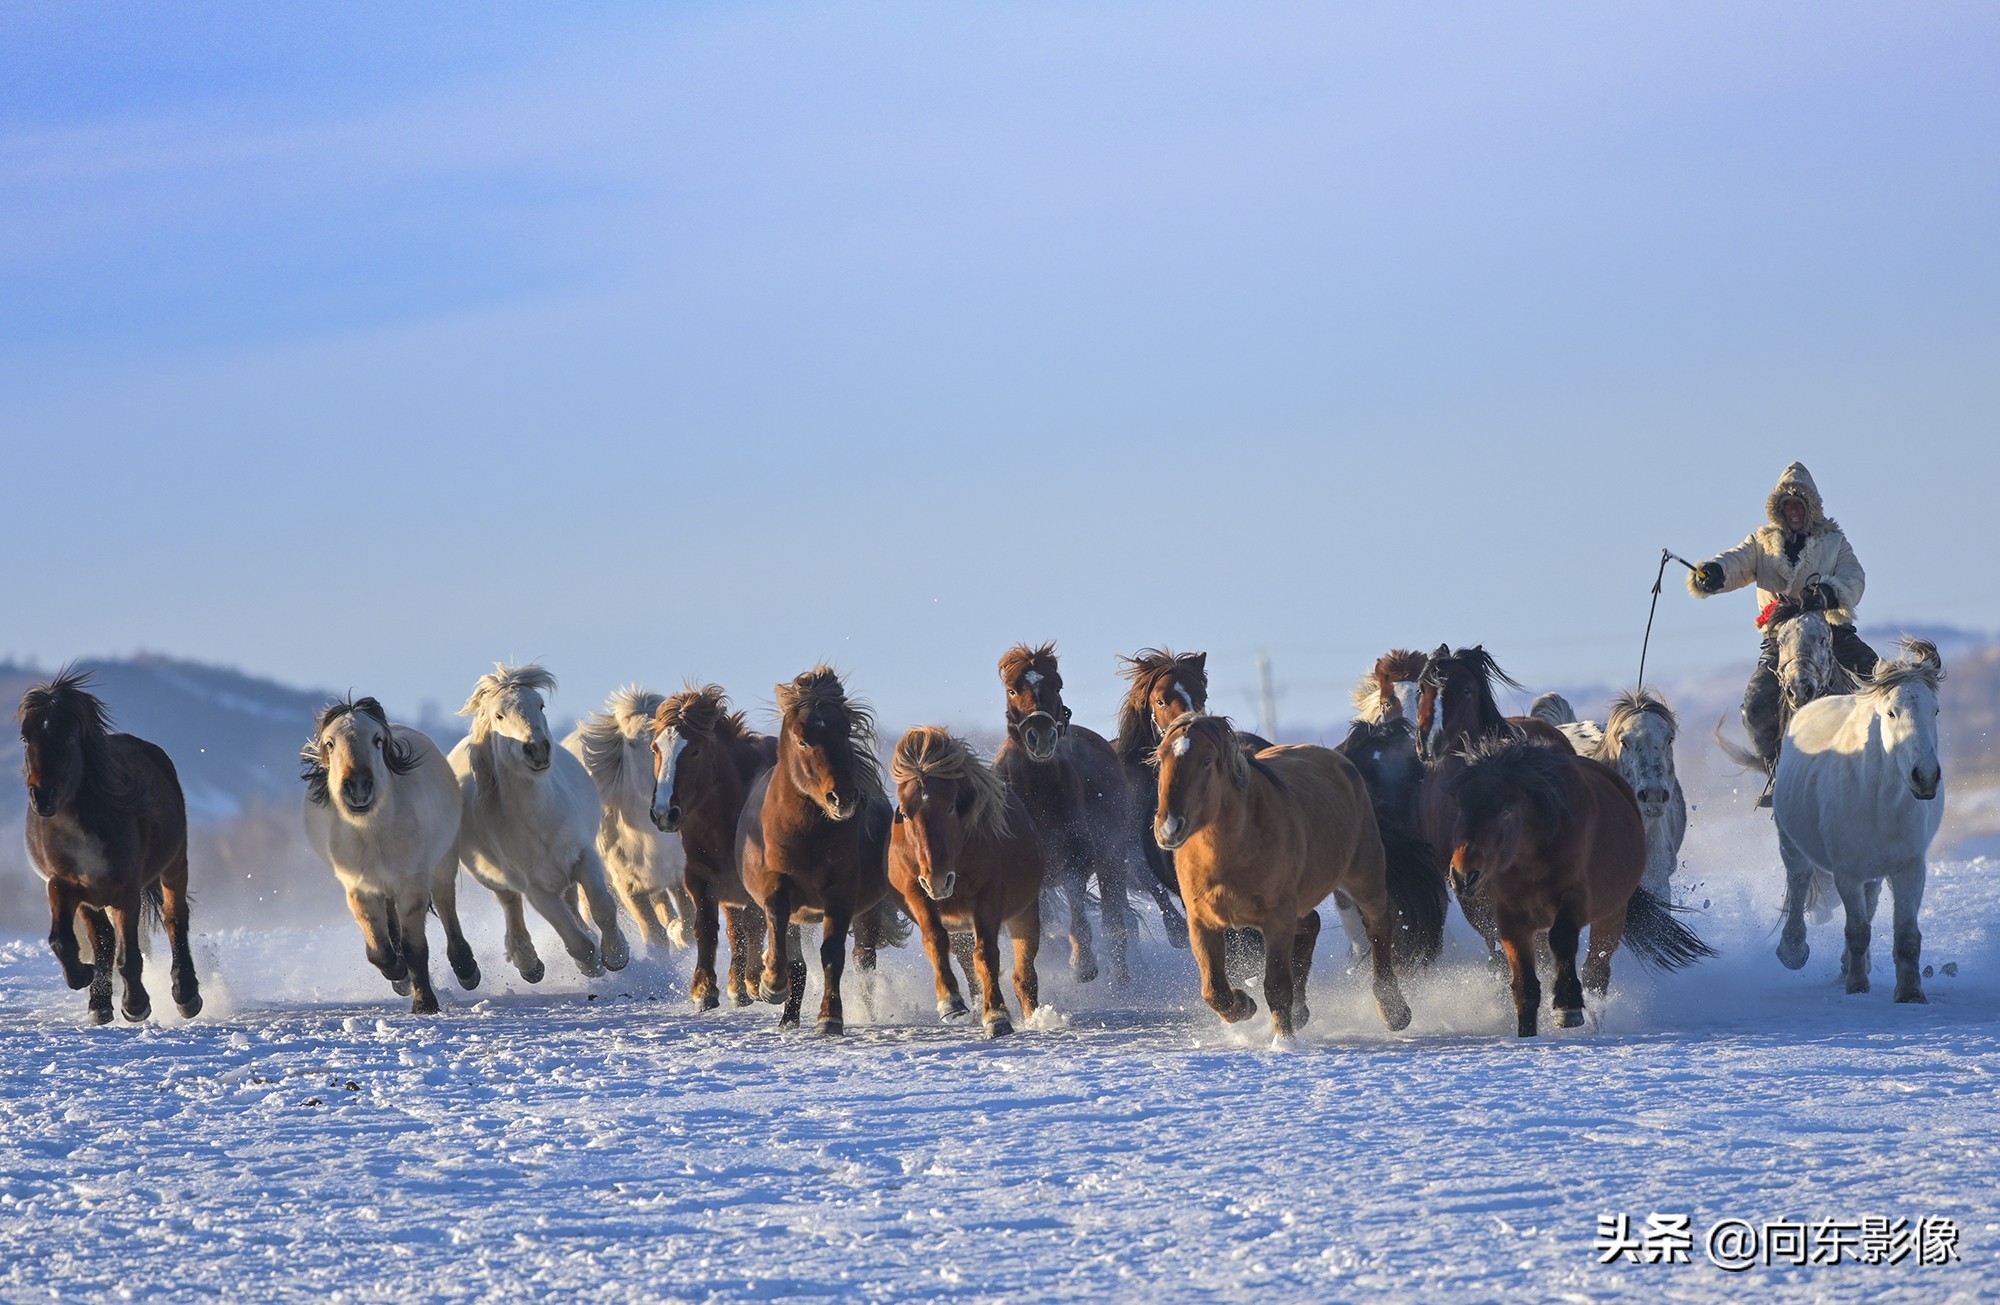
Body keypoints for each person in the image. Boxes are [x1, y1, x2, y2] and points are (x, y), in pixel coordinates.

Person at [1687, 462, 1878, 804]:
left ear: (1810, 509)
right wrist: (1713, 572)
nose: (1793, 511)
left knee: (1876, 679)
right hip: (1780, 641)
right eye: (1787, 506)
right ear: (1779, 509)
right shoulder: (1761, 543)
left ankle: (1882, 760)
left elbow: (1854, 577)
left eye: (1799, 505)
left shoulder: (1834, 542)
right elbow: (1736, 562)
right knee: (1756, 706)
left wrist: (1828, 594)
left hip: (1832, 635)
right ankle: (1779, 769)